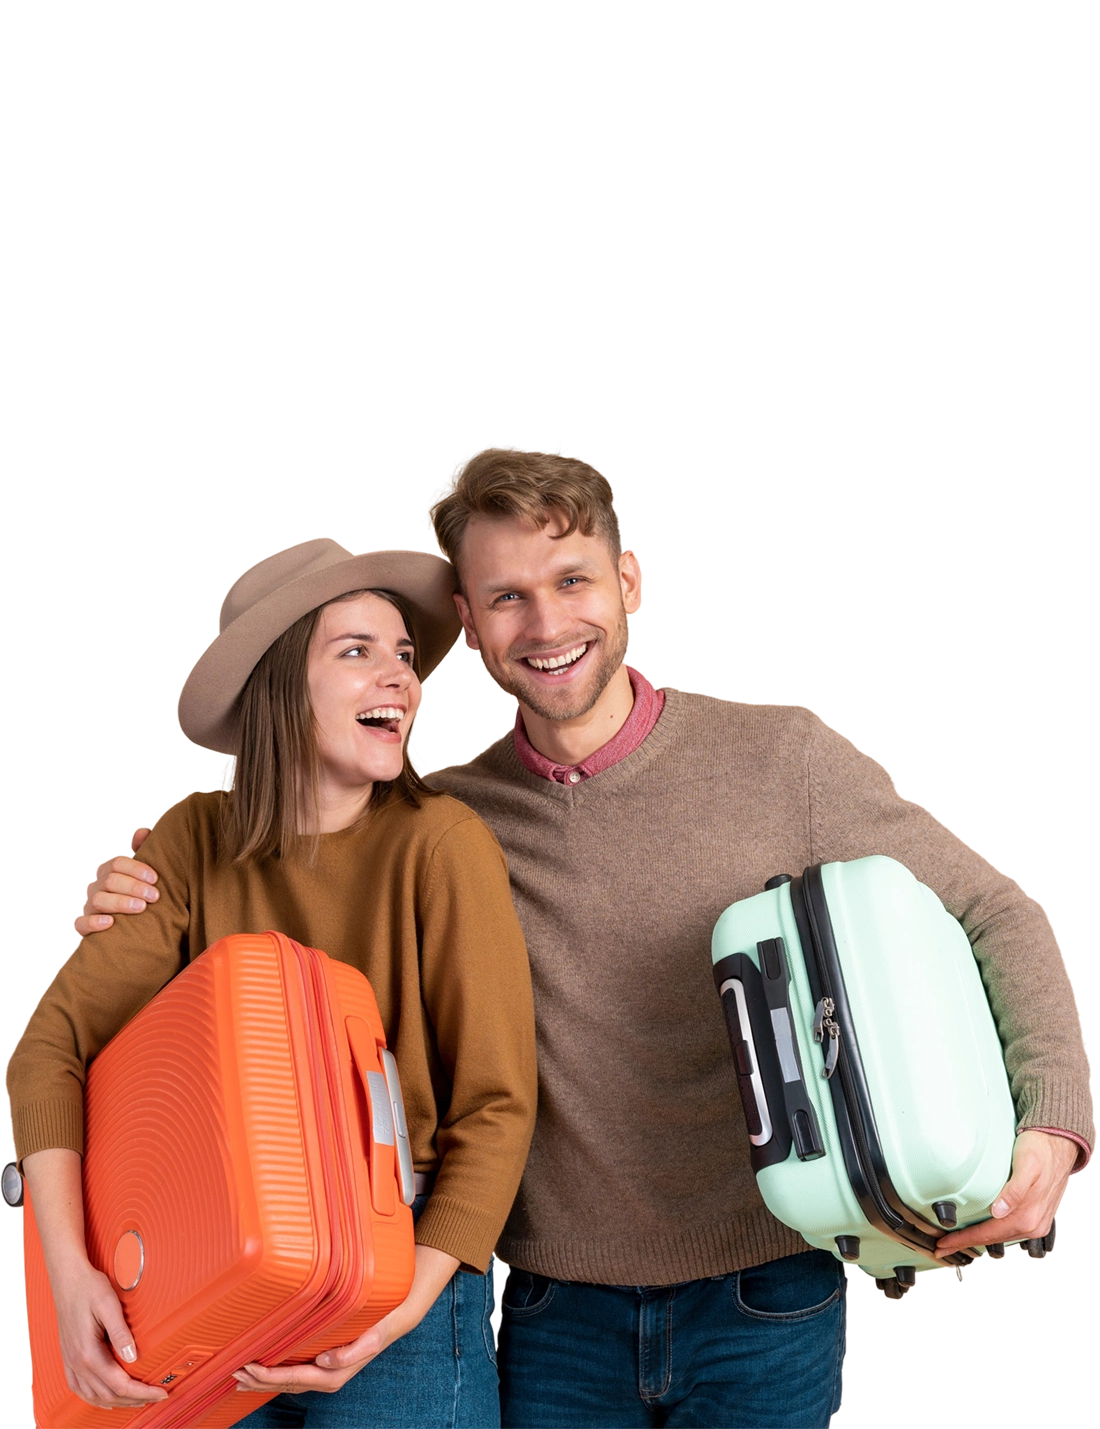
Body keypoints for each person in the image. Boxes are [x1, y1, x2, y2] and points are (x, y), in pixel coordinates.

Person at [72, 451, 1095, 1429]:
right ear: (467, 624)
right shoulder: (440, 821)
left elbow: (995, 910)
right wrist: (142, 896)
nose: (546, 622)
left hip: (765, 1292)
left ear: (629, 581)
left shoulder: (782, 756)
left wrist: (1052, 1124)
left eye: (572, 580)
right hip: (542, 1315)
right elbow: (292, 889)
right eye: (507, 596)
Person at [8, 539, 537, 1427]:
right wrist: (70, 1277)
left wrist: (395, 1316)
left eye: (404, 656)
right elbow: (49, 1053)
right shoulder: (189, 840)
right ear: (280, 684)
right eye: (357, 652)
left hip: (398, 1286)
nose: (399, 679)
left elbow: (497, 1107)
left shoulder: (442, 846)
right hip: (213, 1267)